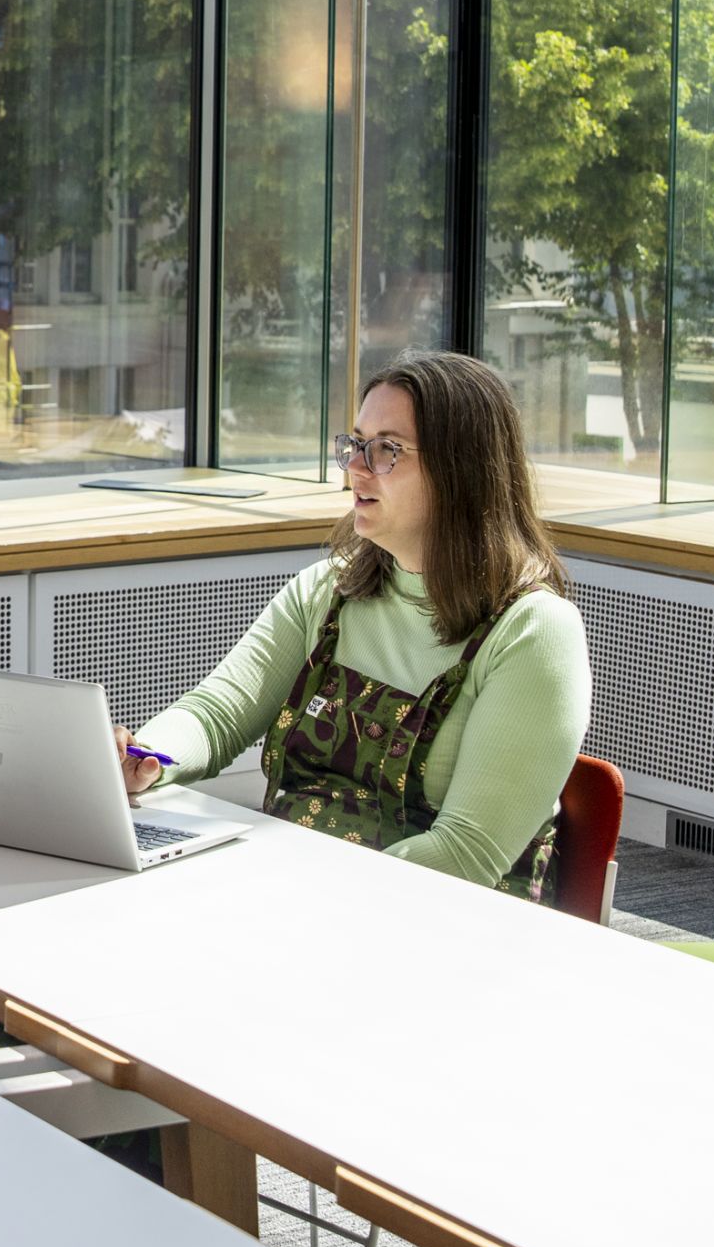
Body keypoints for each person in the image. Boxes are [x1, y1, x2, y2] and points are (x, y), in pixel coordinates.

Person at [121, 351, 593, 892]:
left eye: (387, 450)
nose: (354, 468)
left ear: (461, 470)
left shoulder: (534, 631)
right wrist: (145, 757)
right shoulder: (327, 591)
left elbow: (466, 852)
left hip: (446, 932)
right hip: (298, 900)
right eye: (355, 445)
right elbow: (215, 717)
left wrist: (295, 894)